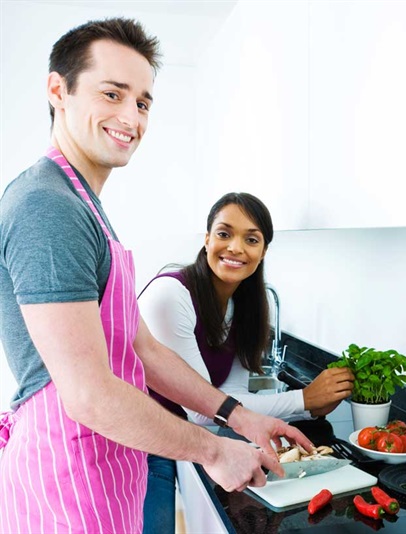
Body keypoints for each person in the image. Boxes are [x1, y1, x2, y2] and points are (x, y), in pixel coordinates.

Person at [0, 18, 313, 534]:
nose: (132, 117)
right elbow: (87, 395)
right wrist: (214, 449)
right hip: (65, 492)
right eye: (112, 93)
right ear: (59, 90)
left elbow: (143, 350)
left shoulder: (85, 206)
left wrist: (238, 416)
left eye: (143, 102)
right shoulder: (47, 207)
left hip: (103, 475)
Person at [138, 192, 356, 533]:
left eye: (251, 239)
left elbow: (229, 395)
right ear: (207, 238)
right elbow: (202, 408)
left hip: (176, 437)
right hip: (135, 443)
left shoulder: (242, 307)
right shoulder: (171, 296)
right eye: (224, 234)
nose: (236, 247)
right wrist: (305, 400)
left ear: (264, 250)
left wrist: (309, 409)